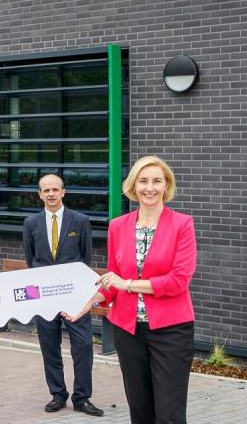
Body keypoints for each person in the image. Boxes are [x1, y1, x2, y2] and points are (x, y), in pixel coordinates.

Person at [64, 156, 196, 424]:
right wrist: (88, 302)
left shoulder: (182, 224)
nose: (150, 188)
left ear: (166, 185)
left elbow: (178, 281)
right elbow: (113, 281)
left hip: (171, 331)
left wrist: (129, 285)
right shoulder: (118, 226)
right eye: (143, 181)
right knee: (140, 410)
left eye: (157, 181)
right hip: (128, 330)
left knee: (169, 413)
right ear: (133, 186)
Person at [22, 174, 103, 416]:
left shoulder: (80, 221)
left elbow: (85, 257)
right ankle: (58, 394)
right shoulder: (31, 223)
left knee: (83, 346)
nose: (51, 194)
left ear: (63, 192)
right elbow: (31, 259)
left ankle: (82, 397)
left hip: (75, 296)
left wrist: (73, 286)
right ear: (39, 194)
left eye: (55, 189)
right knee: (49, 346)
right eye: (46, 190)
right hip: (45, 296)